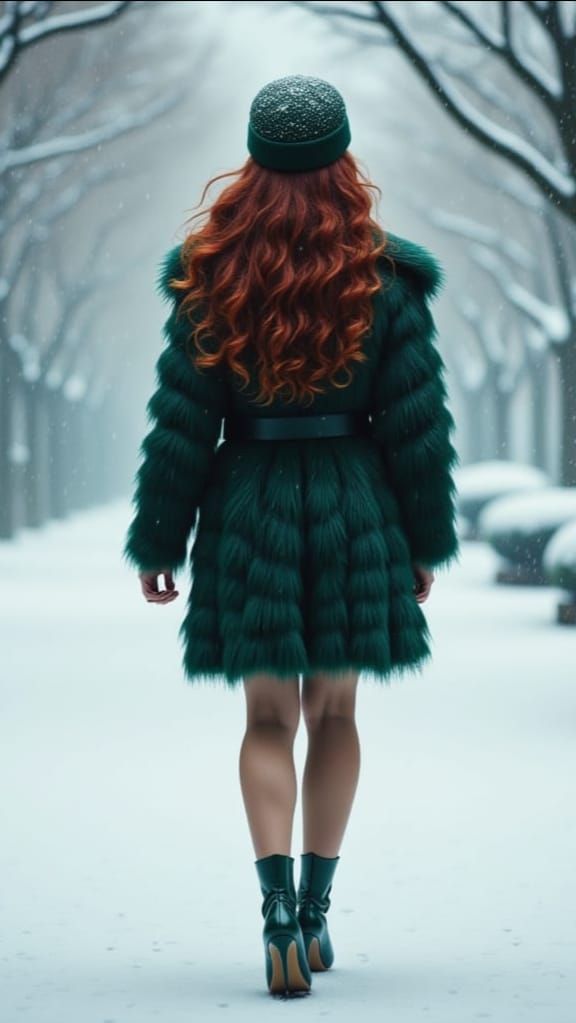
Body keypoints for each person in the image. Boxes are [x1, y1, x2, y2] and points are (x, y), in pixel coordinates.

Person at [122, 74, 460, 998]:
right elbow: (415, 427)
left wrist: (159, 540)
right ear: (343, 160)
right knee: (336, 715)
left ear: (254, 158)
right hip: (356, 507)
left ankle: (270, 904)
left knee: (266, 719)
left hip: (249, 509)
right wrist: (424, 539)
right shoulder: (385, 278)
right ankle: (314, 911)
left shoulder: (210, 274)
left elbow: (182, 426)